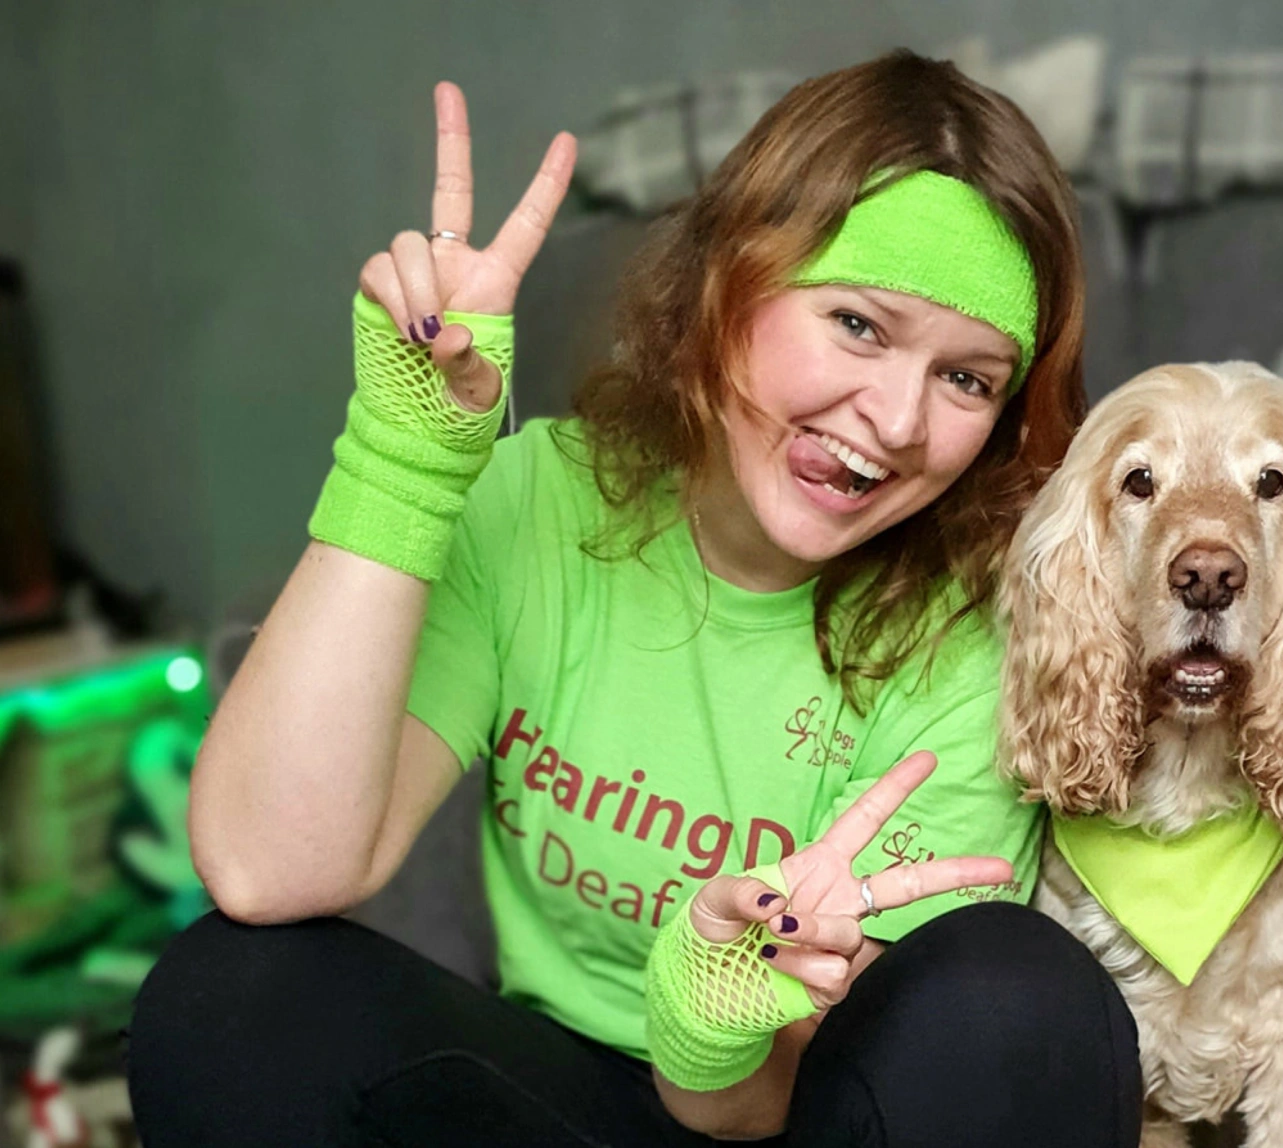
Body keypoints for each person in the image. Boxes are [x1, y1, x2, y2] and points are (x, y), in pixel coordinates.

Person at [126, 50, 1140, 1147]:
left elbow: (808, 1098)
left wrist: (711, 1015)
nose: (896, 418)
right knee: (232, 988)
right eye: (858, 323)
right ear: (730, 284)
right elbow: (266, 866)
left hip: (797, 1118)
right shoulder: (540, 505)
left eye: (967, 378)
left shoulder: (976, 635)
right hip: (558, 1104)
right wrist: (404, 461)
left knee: (1015, 987)